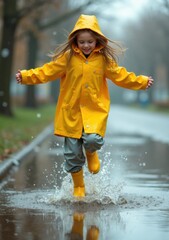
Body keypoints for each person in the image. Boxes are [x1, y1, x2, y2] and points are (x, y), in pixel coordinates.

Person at [16, 14, 154, 198]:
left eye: (90, 41)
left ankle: (91, 153)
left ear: (97, 40)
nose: (86, 45)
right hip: (71, 112)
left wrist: (142, 82)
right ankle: (78, 187)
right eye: (82, 42)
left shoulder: (103, 60)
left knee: (92, 140)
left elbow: (121, 76)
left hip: (94, 110)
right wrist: (26, 76)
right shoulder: (67, 58)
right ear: (76, 40)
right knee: (72, 154)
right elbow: (46, 72)